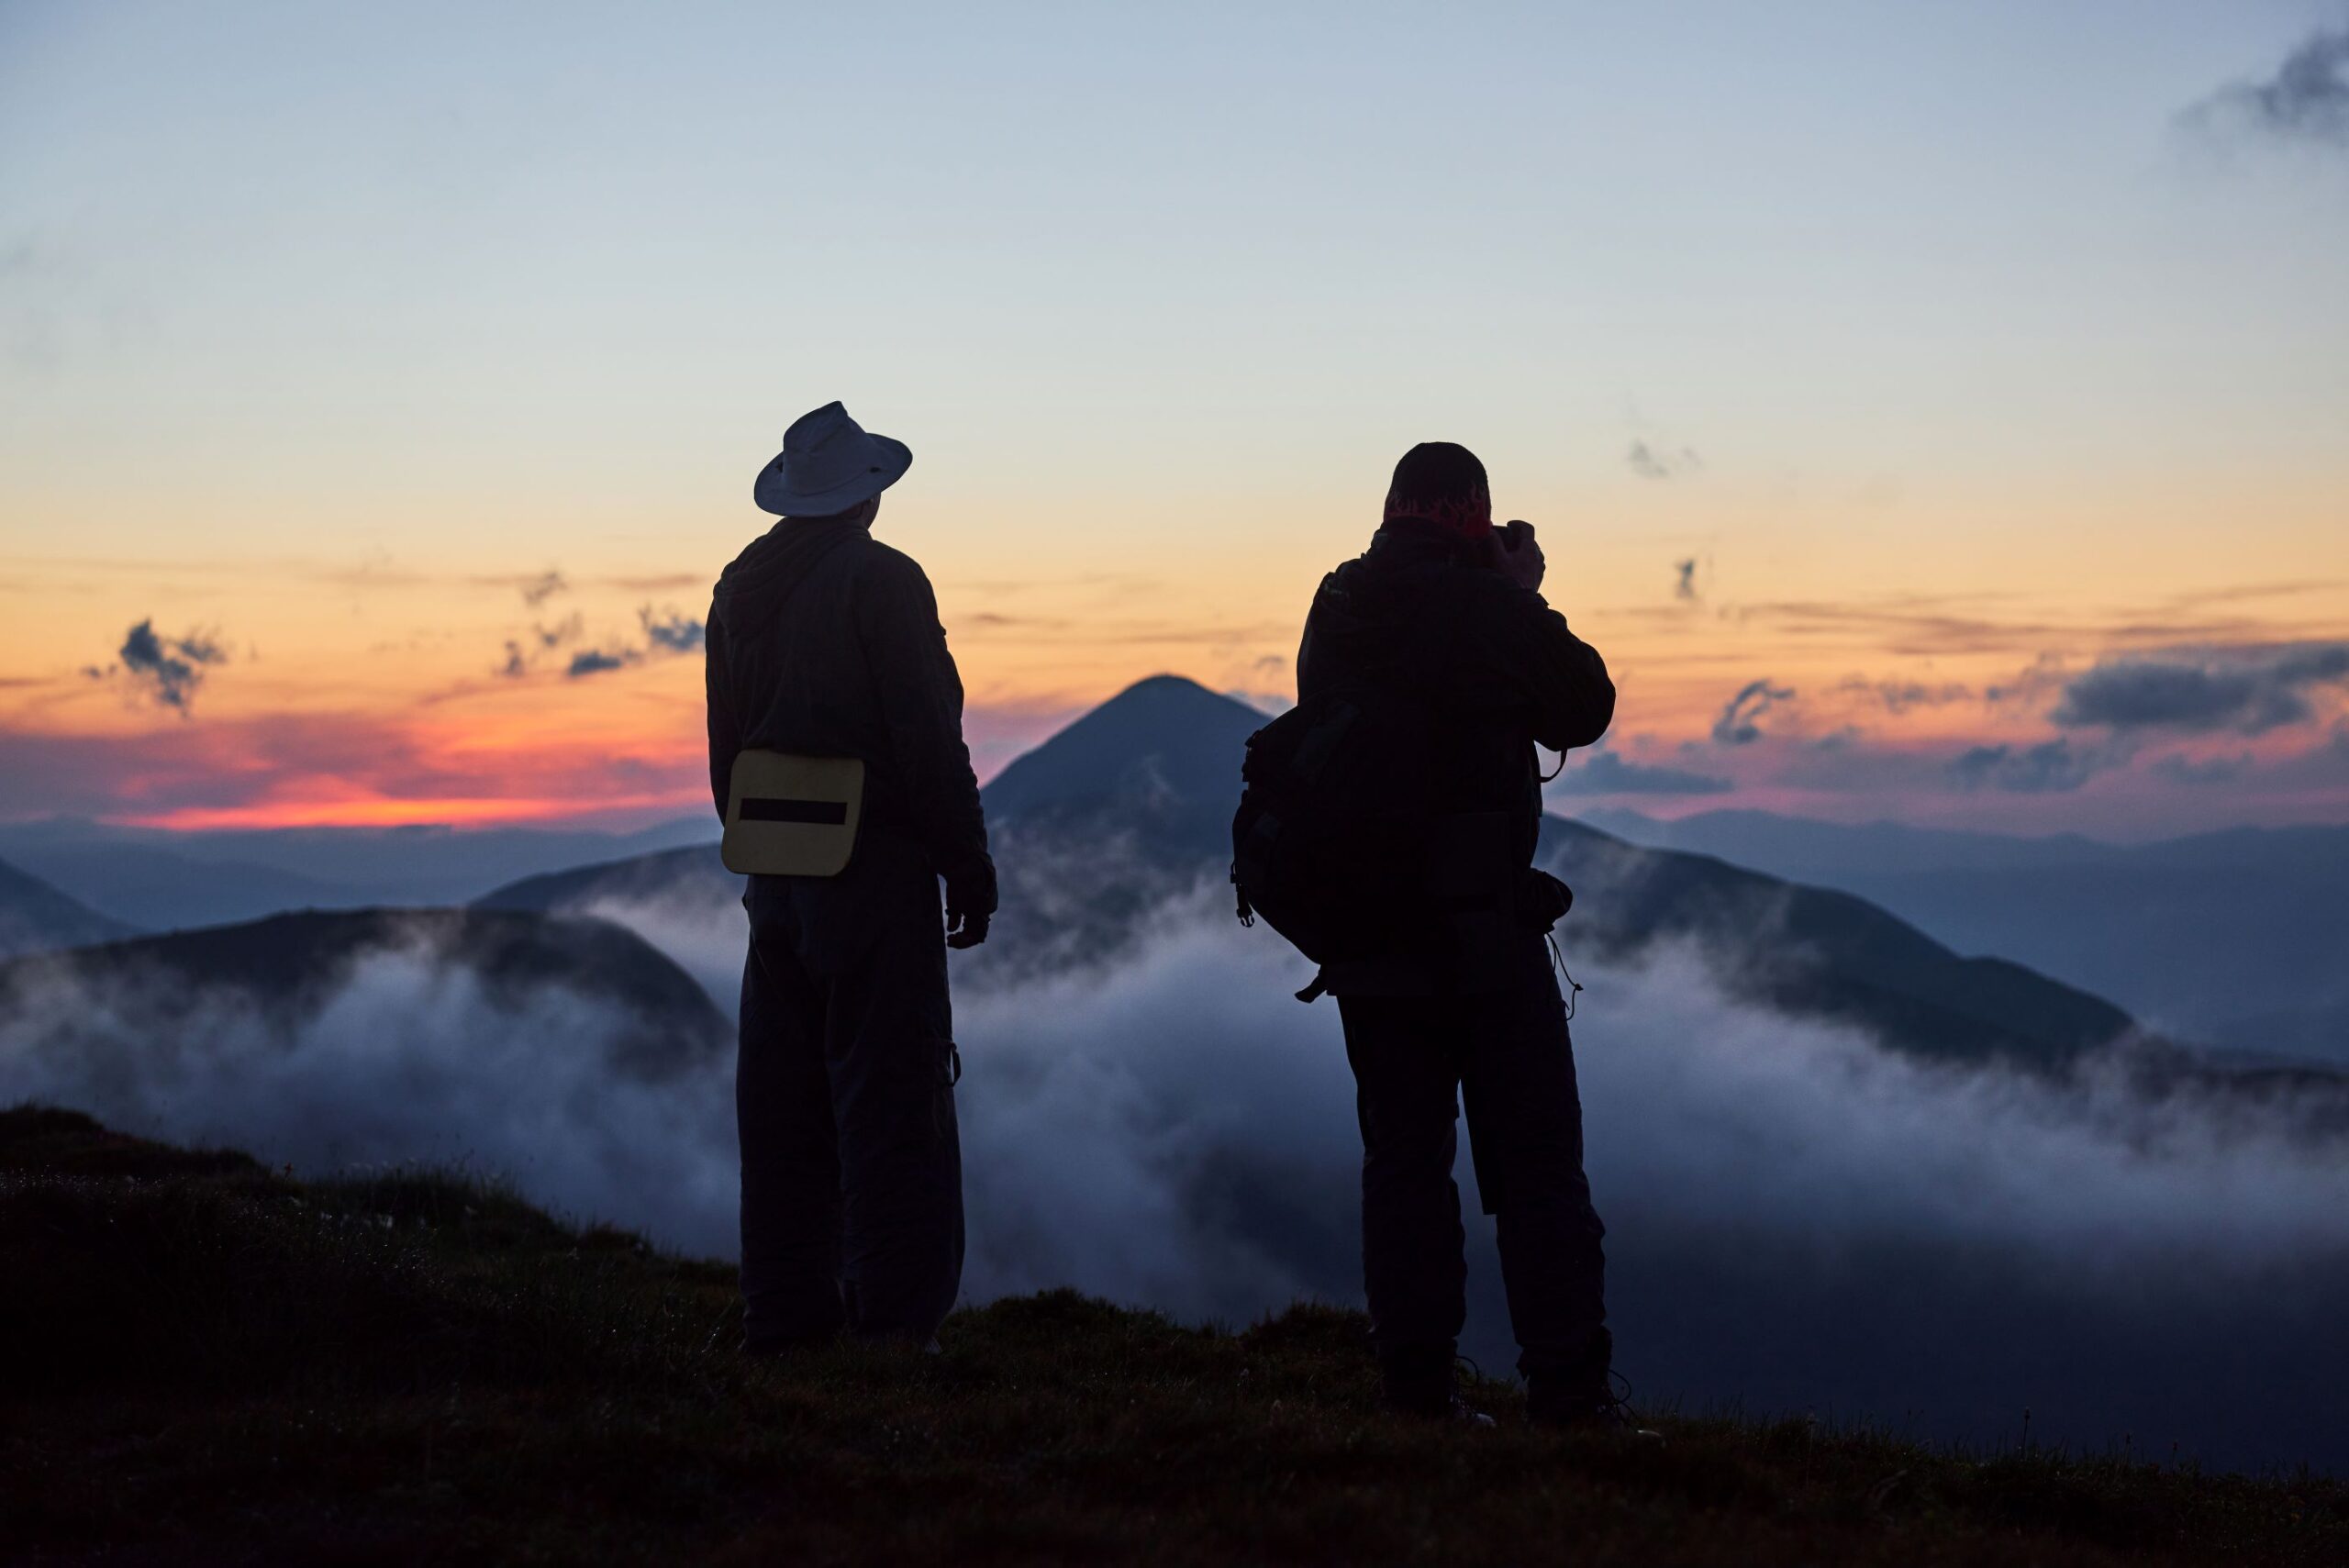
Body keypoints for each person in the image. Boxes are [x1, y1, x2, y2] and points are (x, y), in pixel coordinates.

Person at [1293, 440, 1630, 1427]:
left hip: (1367, 931)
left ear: (1392, 507)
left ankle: (1414, 1386)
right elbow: (1585, 703)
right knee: (1534, 1166)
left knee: (1403, 1159)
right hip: (1481, 933)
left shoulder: (1338, 602)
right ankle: (1566, 1391)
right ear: (1472, 515)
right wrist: (1520, 591)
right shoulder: (1487, 606)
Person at [706, 400, 995, 1353]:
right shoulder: (884, 582)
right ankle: (896, 1327)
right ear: (864, 497)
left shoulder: (739, 589)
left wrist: (760, 853)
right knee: (891, 1098)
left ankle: (782, 1320)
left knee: (782, 1105)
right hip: (872, 874)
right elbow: (925, 735)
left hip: (772, 879)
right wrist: (966, 861)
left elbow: (724, 751)